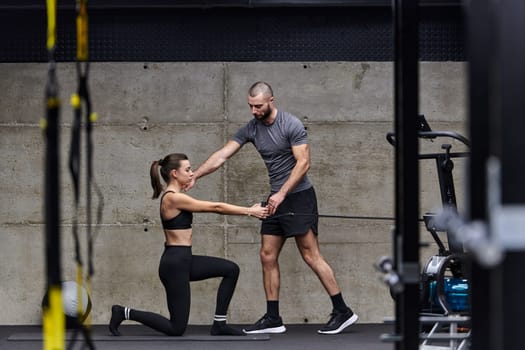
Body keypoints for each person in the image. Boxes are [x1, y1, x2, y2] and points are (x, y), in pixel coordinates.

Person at [185, 82, 358, 335]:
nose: (254, 111)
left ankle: (342, 310)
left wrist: (281, 193)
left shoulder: (291, 124)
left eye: (258, 106)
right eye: (250, 106)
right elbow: (222, 155)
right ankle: (273, 317)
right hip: (276, 197)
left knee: (311, 255)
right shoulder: (251, 129)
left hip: (298, 197)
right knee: (267, 255)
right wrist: (196, 175)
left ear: (271, 101)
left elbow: (304, 163)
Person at [109, 153, 269, 336]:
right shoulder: (172, 198)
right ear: (175, 173)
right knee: (176, 328)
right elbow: (215, 207)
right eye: (188, 169)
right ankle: (123, 312)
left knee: (231, 270)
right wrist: (250, 211)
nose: (192, 173)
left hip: (185, 260)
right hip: (174, 265)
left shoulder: (177, 196)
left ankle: (219, 324)